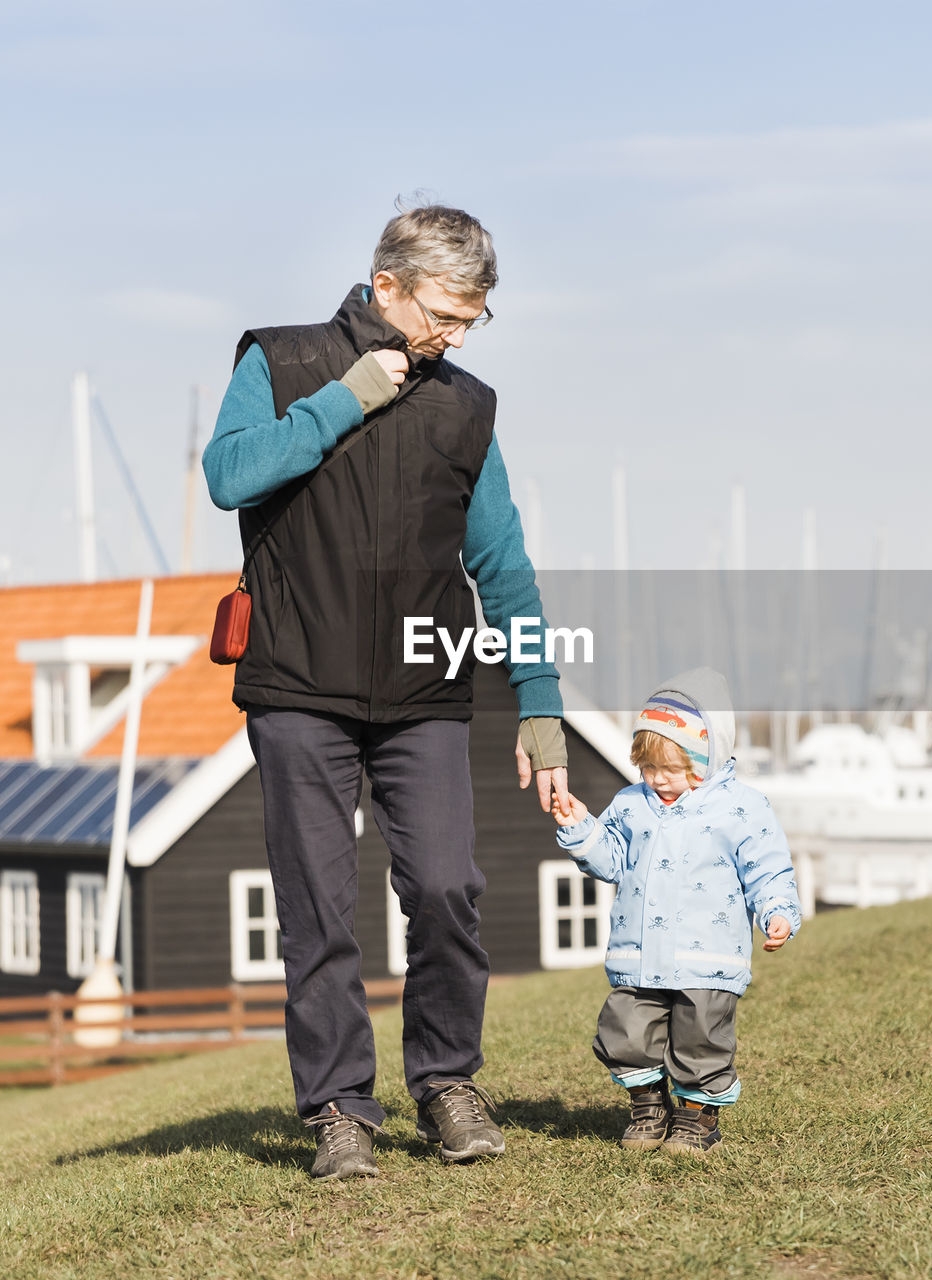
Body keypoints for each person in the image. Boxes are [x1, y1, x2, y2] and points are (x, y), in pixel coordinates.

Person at [202, 203, 570, 1181]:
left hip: (426, 689)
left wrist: (539, 700)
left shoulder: (465, 405)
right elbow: (228, 475)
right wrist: (344, 399)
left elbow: (502, 559)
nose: (453, 335)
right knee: (318, 907)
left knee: (448, 888)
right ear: (389, 284)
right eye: (445, 313)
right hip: (298, 686)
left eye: (471, 320)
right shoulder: (279, 361)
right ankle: (338, 1108)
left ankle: (447, 1081)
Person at [551, 667, 801, 1155]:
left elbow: (768, 868)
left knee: (701, 1039)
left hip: (709, 957)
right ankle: (648, 1105)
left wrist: (778, 911)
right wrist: (582, 829)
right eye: (647, 768)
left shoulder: (741, 808)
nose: (656, 780)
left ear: (708, 756)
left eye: (670, 769)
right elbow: (612, 862)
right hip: (638, 954)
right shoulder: (630, 804)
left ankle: (695, 1117)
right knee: (624, 1031)